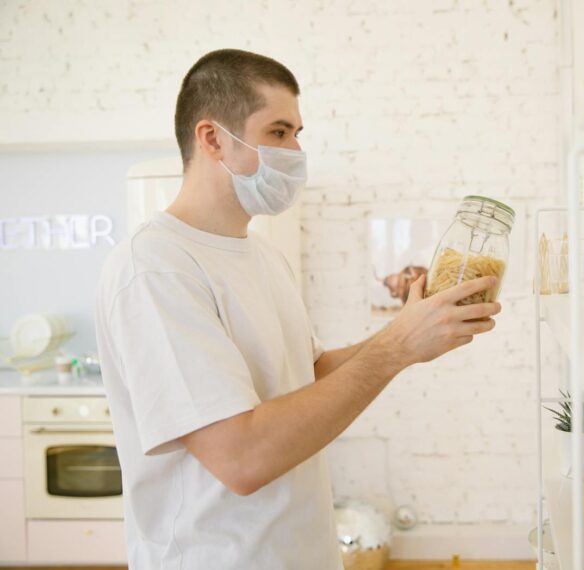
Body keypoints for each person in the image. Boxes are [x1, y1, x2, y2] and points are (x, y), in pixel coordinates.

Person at [94, 48, 501, 569]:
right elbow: (240, 458)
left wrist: (409, 333)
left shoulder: (262, 254)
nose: (297, 152)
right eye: (280, 132)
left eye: (298, 134)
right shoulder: (154, 268)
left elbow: (304, 374)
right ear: (212, 137)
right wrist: (397, 349)